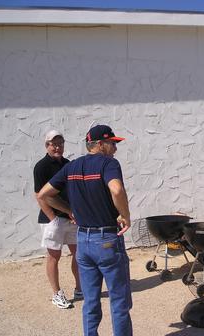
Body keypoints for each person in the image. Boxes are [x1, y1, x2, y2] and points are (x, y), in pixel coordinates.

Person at [37, 125, 132, 336]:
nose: (115, 148)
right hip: (107, 239)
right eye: (112, 143)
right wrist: (125, 215)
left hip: (83, 242)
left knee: (90, 301)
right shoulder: (109, 164)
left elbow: (44, 194)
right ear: (100, 144)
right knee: (119, 301)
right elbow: (116, 189)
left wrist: (70, 210)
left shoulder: (73, 166)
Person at [33, 130, 82, 309]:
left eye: (60, 143)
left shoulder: (67, 164)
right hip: (52, 220)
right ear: (47, 146)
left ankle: (79, 288)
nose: (57, 147)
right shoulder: (41, 167)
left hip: (69, 218)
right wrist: (53, 218)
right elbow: (39, 195)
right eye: (54, 144)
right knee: (54, 256)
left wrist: (74, 213)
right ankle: (57, 294)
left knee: (78, 253)